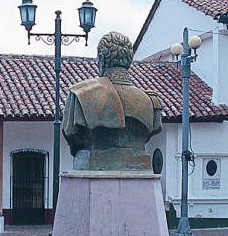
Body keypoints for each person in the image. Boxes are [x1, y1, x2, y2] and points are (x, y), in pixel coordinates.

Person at [62, 31, 163, 171]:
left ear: (101, 59)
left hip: (94, 162)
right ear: (129, 61)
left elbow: (70, 133)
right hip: (139, 164)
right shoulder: (150, 101)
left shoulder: (81, 94)